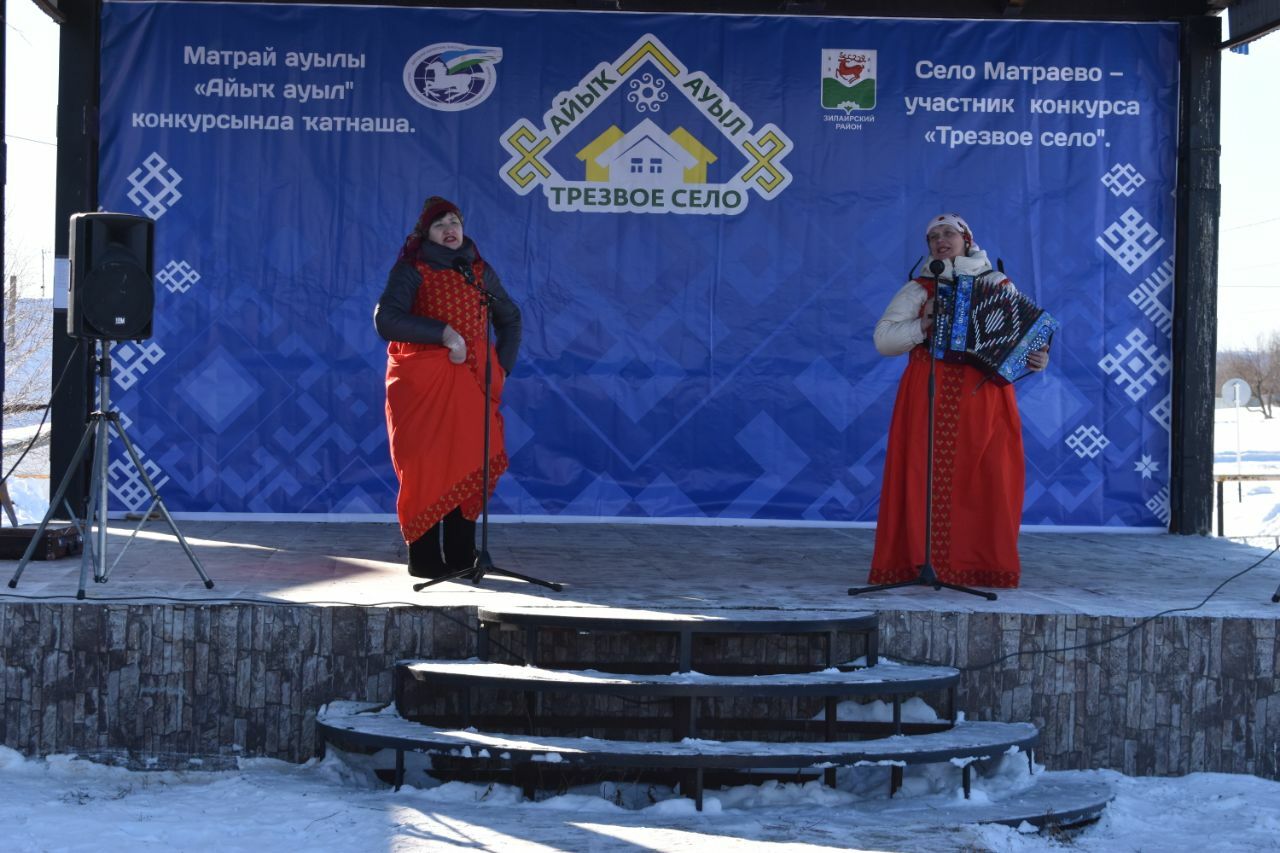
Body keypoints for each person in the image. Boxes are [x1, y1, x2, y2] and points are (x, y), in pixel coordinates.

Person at [868, 213, 1048, 588]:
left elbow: (1020, 344)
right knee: (923, 474)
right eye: (933, 236)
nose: (940, 240)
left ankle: (978, 565)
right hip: (929, 393)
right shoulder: (919, 289)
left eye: (948, 233)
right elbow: (884, 341)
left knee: (987, 477)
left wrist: (1037, 359)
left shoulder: (997, 283)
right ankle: (920, 562)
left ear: (967, 239)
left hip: (984, 397)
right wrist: (923, 325)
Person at [374, 196, 522, 579]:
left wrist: (502, 367)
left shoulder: (478, 270)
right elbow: (386, 319)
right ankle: (425, 558)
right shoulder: (412, 269)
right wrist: (443, 334)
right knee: (427, 465)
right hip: (425, 383)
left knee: (469, 460)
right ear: (426, 234)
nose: (449, 229)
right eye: (439, 225)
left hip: (473, 382)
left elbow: (510, 318)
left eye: (454, 221)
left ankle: (460, 555)